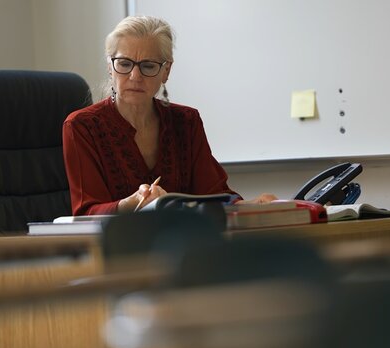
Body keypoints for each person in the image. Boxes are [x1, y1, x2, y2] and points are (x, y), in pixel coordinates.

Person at [63, 15, 276, 215]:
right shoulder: (82, 126)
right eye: (124, 64)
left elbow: (214, 194)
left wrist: (250, 205)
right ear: (110, 67)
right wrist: (133, 202)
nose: (135, 76)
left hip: (182, 244)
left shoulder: (186, 122)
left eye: (148, 66)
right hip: (116, 249)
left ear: (166, 71)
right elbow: (86, 212)